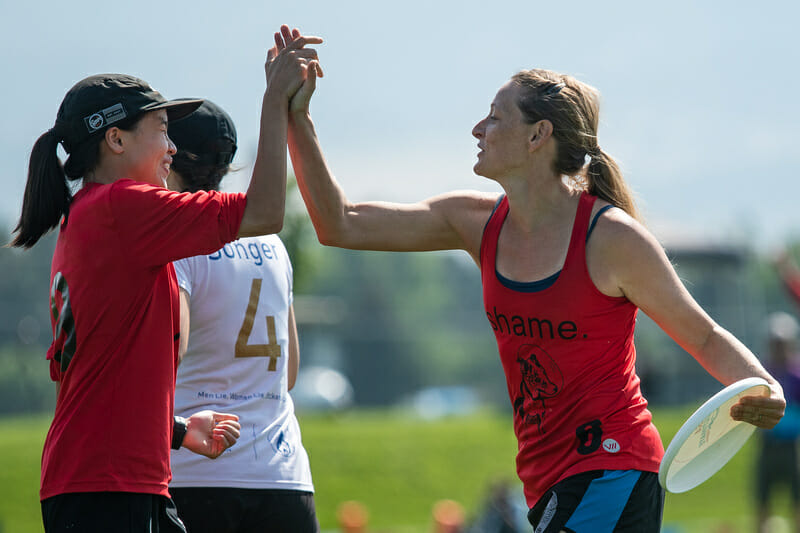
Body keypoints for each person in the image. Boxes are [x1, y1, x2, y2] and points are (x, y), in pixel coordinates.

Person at [277, 30, 787, 532]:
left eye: (495, 118)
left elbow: (701, 334)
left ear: (538, 135)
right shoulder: (475, 223)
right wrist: (296, 115)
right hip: (547, 484)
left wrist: (762, 383)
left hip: (613, 466)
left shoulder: (610, 238)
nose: (478, 129)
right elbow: (337, 222)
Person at [10, 29, 321, 533]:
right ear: (115, 139)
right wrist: (274, 100)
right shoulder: (122, 207)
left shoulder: (91, 213)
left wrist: (175, 431)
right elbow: (266, 210)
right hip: (109, 486)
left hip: (109, 481)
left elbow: (108, 377)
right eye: (160, 129)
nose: (172, 147)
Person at [165, 98, 319, 533]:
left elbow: (169, 351)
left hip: (196, 471)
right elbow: (288, 374)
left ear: (169, 155)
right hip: (283, 476)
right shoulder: (272, 242)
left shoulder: (176, 239)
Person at [755, 312, 800, 533]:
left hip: (792, 448)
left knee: (796, 501)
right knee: (762, 501)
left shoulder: (797, 374)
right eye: (774, 343)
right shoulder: (762, 373)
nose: (778, 348)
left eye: (781, 343)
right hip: (767, 446)